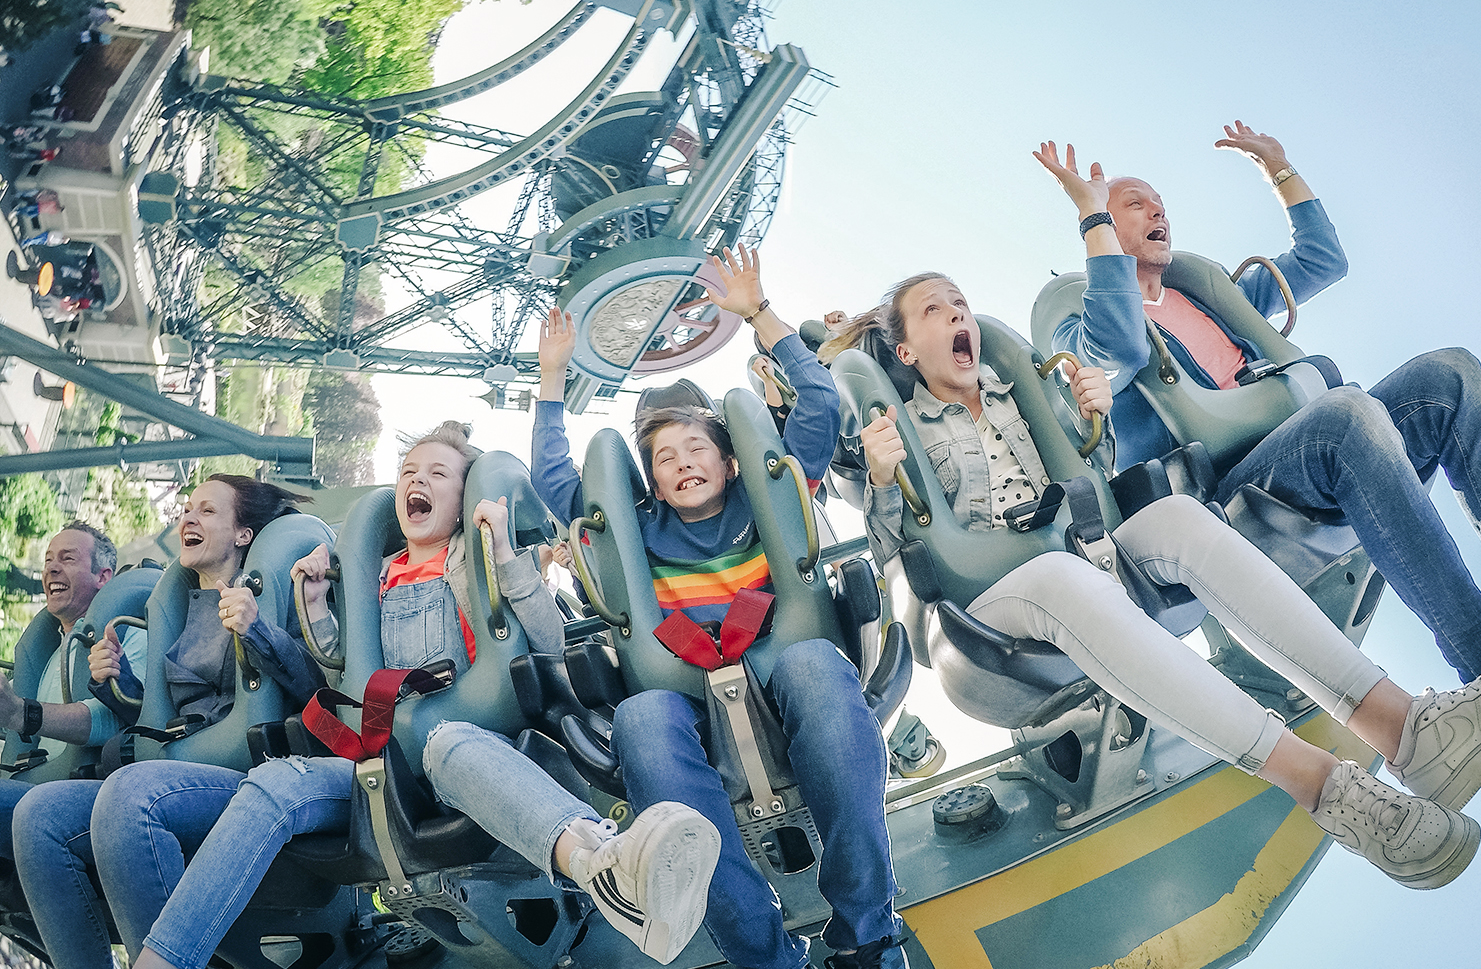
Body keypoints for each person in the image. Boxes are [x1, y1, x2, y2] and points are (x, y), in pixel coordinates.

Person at [850, 143, 1481, 891]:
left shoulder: (1025, 393)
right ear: (905, 347)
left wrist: (1085, 426)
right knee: (1069, 573)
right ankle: (1324, 786)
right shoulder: (898, 424)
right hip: (993, 598)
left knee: (1176, 521)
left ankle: (1408, 732)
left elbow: (1088, 482)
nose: (958, 314)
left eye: (961, 302)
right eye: (936, 310)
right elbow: (896, 541)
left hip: (1081, 555)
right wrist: (876, 470)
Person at [1046, 123, 1481, 743]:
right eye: (1134, 203)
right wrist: (1093, 218)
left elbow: (1321, 260)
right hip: (1236, 495)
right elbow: (1114, 351)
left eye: (1160, 203)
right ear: (1103, 226)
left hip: (1322, 446)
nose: (1157, 210)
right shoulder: (1080, 323)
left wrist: (1281, 172)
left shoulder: (1209, 295)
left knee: (1450, 375)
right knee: (1345, 415)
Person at [99, 425, 718, 969]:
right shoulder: (372, 573)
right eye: (408, 473)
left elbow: (549, 640)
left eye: (437, 473)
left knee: (448, 741)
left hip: (458, 748)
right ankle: (160, 961)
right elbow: (334, 676)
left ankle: (601, 866)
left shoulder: (470, 561)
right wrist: (314, 605)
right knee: (274, 785)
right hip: (371, 760)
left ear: (463, 494)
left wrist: (505, 556)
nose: (417, 481)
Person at [532, 247, 906, 969]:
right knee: (640, 718)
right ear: (651, 481)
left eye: (696, 446)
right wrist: (553, 379)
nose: (682, 463)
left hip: (785, 664)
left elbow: (820, 405)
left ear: (730, 458)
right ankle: (762, 955)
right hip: (684, 693)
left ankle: (867, 933)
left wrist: (759, 315)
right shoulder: (637, 530)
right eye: (664, 457)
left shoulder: (765, 494)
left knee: (813, 665)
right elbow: (555, 478)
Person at [12, 477, 321, 969]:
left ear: (243, 534)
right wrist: (116, 681)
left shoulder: (267, 589)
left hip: (249, 771)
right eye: (187, 509)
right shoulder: (178, 603)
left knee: (130, 793)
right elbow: (159, 718)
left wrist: (259, 630)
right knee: (39, 814)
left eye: (208, 511)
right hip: (178, 765)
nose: (189, 519)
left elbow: (318, 688)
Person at [0, 523, 140, 856]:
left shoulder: (127, 635)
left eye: (67, 558)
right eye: (49, 559)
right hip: (28, 781)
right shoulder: (50, 649)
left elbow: (112, 721)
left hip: (76, 791)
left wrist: (20, 712)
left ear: (103, 577)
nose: (51, 568)